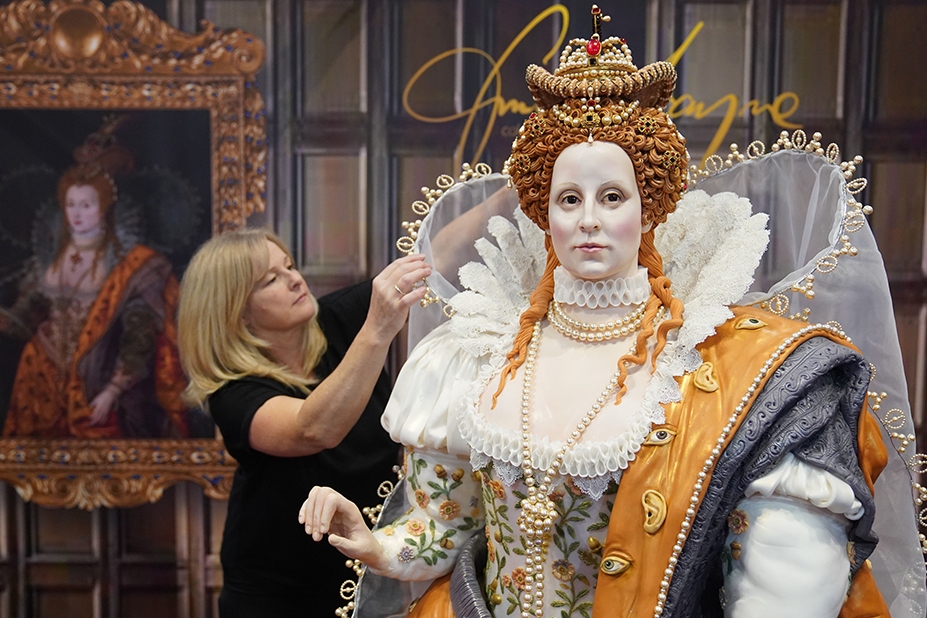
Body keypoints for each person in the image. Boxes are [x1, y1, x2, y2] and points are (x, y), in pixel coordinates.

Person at [301, 8, 924, 618]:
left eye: (612, 196)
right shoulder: (475, 355)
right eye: (569, 198)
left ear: (649, 208)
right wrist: (376, 542)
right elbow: (445, 528)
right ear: (543, 212)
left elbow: (774, 581)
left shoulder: (714, 366)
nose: (589, 219)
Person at [177, 229, 431, 617]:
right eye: (271, 280)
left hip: (364, 568)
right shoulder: (232, 393)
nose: (295, 278)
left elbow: (437, 252)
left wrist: (516, 189)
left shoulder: (334, 318)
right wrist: (377, 330)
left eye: (289, 266)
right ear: (236, 310)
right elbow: (313, 430)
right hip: (278, 593)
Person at [1, 122, 188, 438]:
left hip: (98, 380)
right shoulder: (49, 258)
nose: (77, 213)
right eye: (71, 204)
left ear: (105, 208)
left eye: (86, 205)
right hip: (38, 377)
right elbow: (25, 317)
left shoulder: (132, 266)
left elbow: (138, 337)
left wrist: (112, 391)